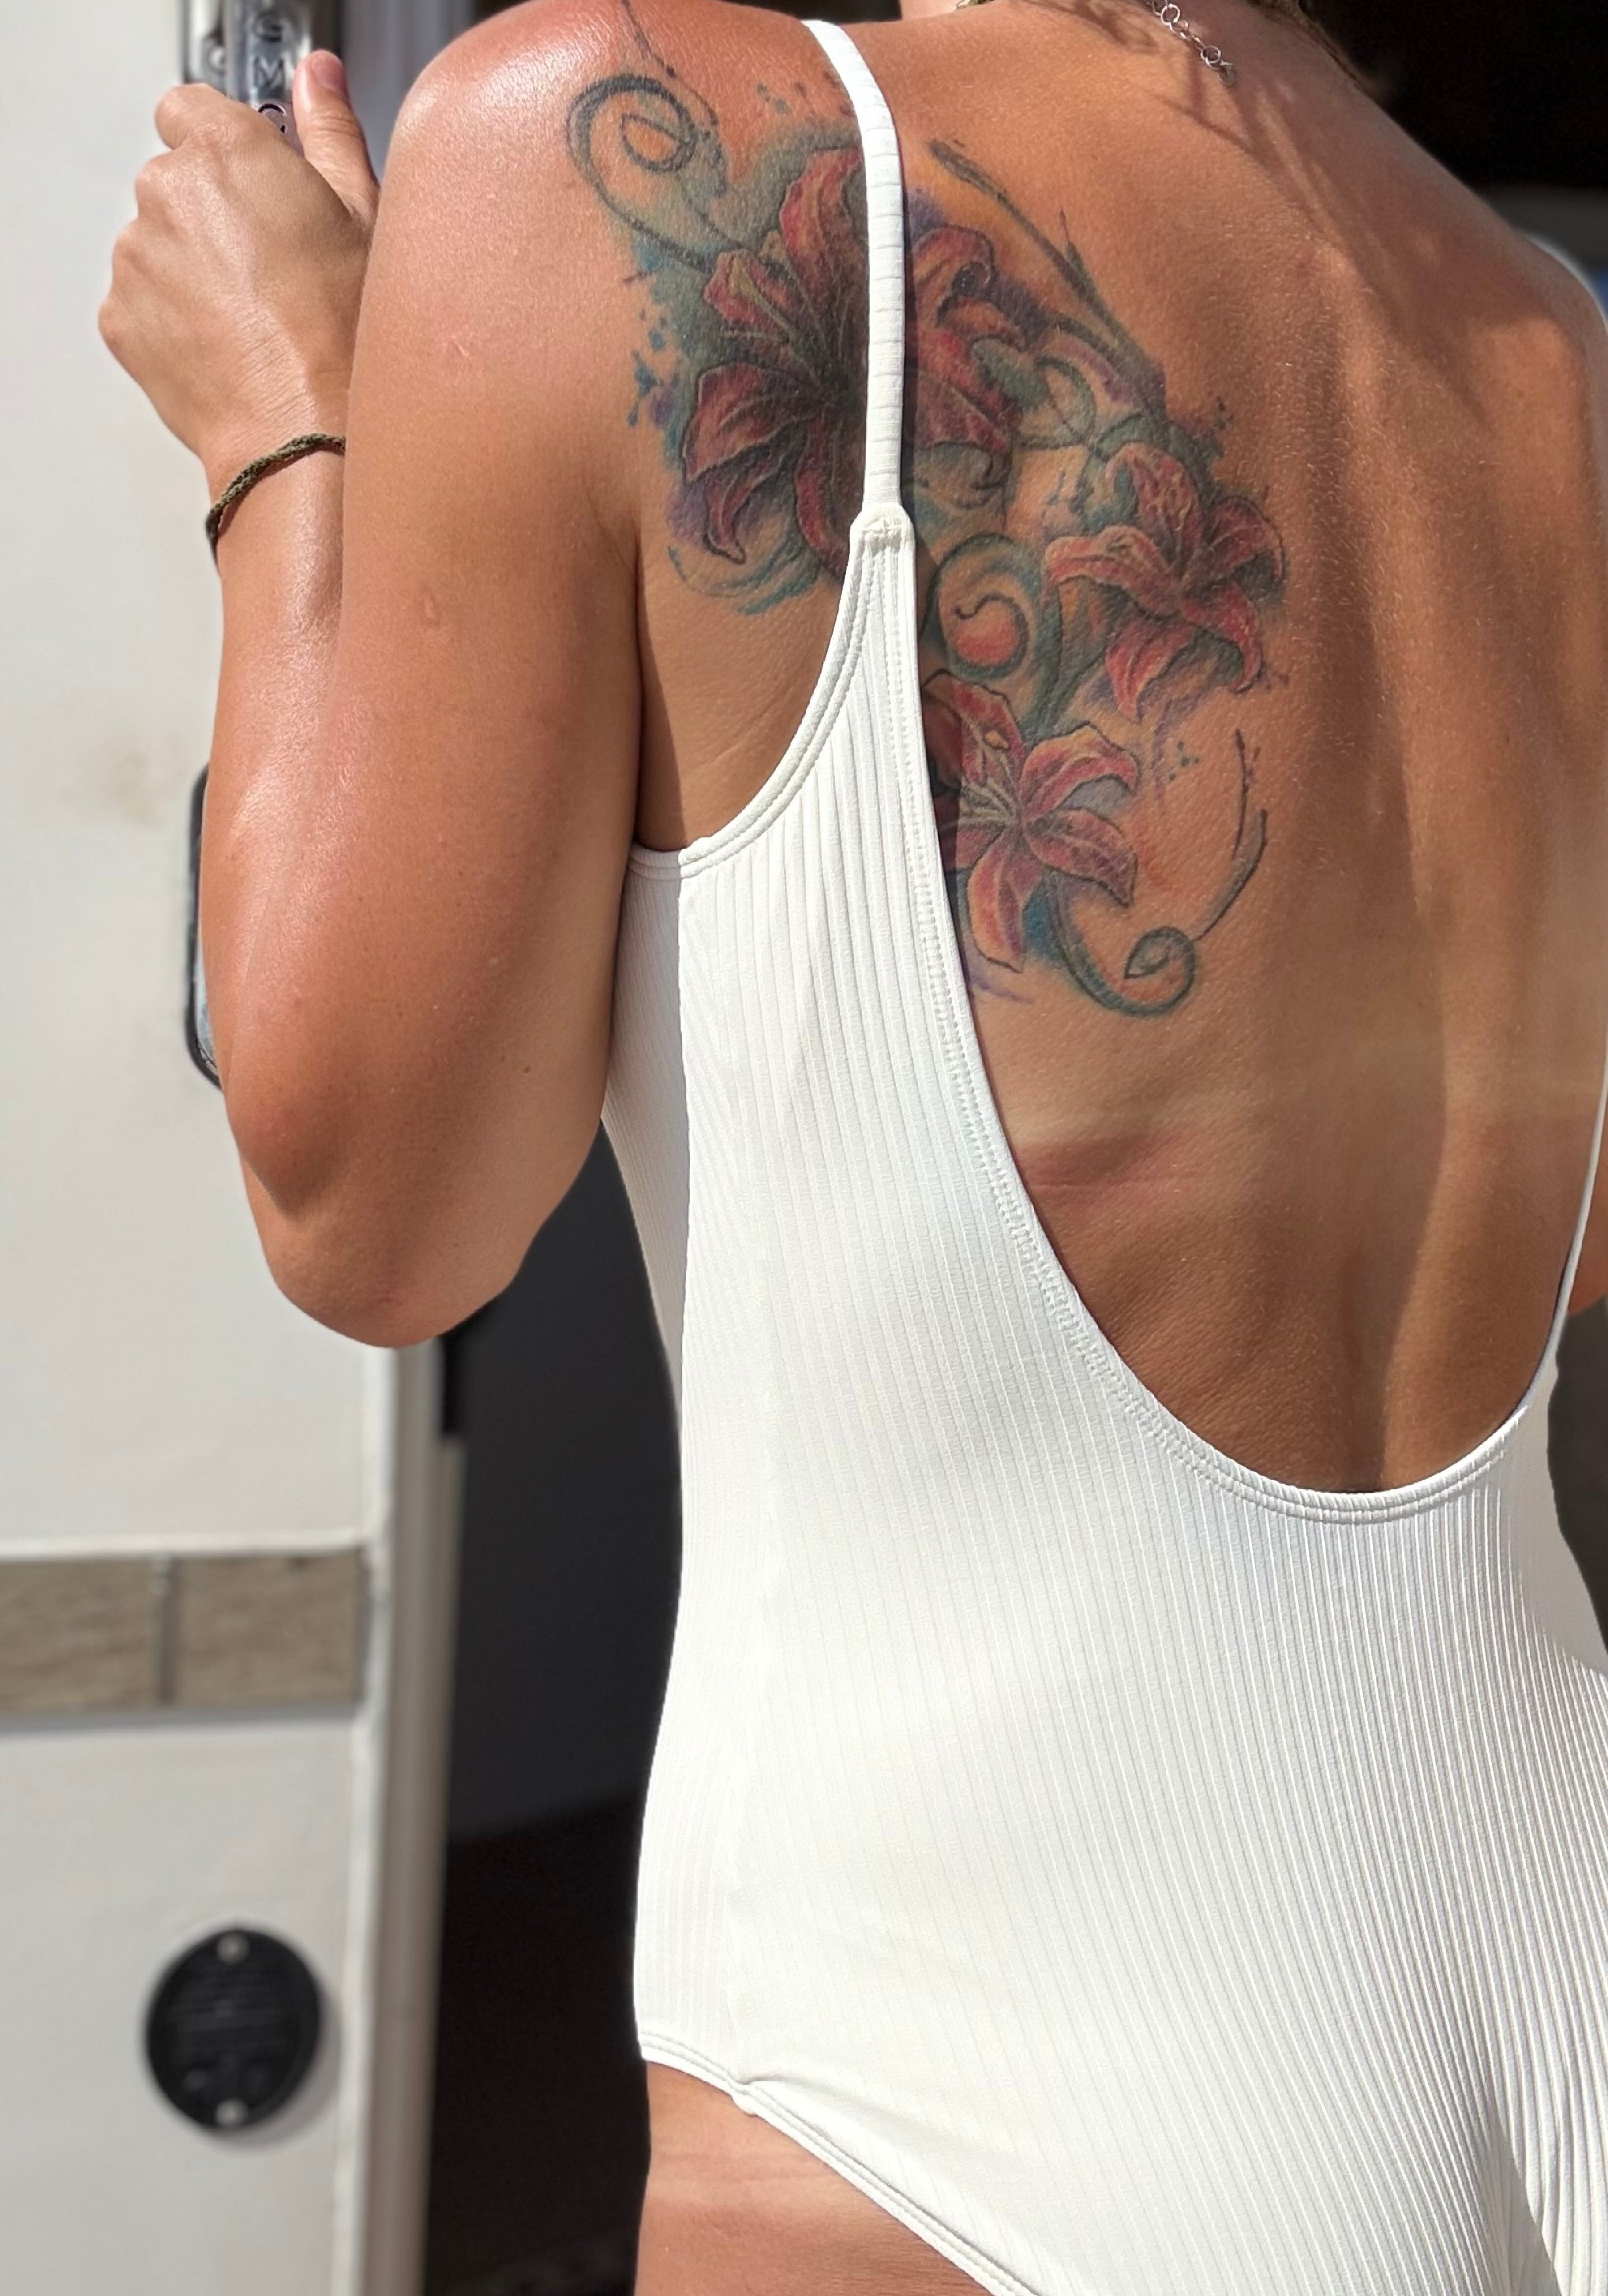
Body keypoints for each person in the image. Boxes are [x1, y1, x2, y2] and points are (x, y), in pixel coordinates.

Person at [101, 0, 1608, 2288]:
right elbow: (1563, 1239)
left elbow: (371, 1218)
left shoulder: (606, 143)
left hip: (965, 2060)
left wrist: (286, 431)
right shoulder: (1543, 343)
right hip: (1548, 1930)